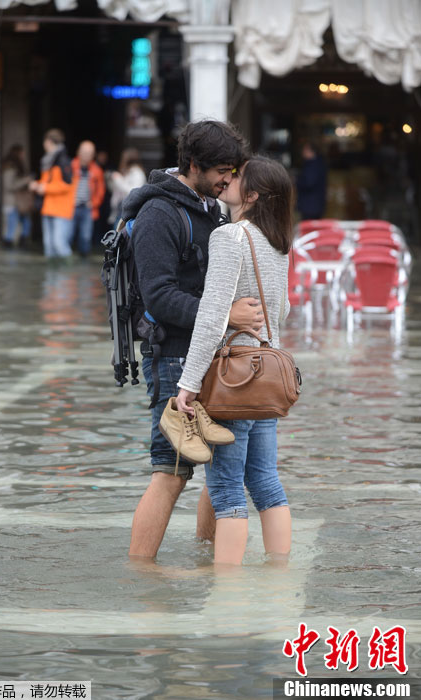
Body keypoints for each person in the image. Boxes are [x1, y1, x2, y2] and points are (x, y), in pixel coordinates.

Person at [123, 120, 265, 559]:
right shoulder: (159, 214)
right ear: (193, 165)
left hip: (212, 354)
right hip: (173, 358)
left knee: (224, 467)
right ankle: (142, 577)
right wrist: (227, 315)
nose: (229, 178)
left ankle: (207, 559)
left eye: (233, 169)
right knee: (172, 470)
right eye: (223, 169)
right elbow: (159, 296)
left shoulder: (211, 208)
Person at [176, 155, 293, 566]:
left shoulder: (231, 238)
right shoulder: (278, 241)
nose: (228, 178)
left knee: (226, 488)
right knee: (265, 482)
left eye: (237, 176)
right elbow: (282, 311)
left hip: (232, 376)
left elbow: (211, 318)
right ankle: (280, 572)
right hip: (267, 374)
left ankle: (227, 591)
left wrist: (187, 384)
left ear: (253, 194)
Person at [29, 129, 74, 260]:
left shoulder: (62, 160)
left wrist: (45, 188)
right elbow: (47, 182)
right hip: (48, 207)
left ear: (49, 142)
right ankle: (52, 279)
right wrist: (37, 185)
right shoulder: (49, 161)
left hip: (60, 210)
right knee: (49, 246)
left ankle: (68, 274)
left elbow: (67, 184)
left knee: (59, 244)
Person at [71, 141, 105, 257]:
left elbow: (101, 190)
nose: (86, 155)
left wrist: (94, 203)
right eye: (84, 152)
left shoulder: (96, 170)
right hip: (71, 207)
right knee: (68, 235)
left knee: (85, 237)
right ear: (78, 152)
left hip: (87, 208)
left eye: (89, 153)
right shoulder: (70, 166)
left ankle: (83, 261)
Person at [1, 144, 33, 248]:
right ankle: (9, 244)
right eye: (21, 153)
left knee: (25, 222)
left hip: (19, 201)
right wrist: (25, 180)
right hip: (13, 201)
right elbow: (9, 185)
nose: (23, 155)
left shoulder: (17, 166)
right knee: (12, 224)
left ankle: (21, 241)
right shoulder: (10, 167)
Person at [108, 148, 147, 226]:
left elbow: (134, 192)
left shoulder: (137, 173)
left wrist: (118, 179)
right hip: (121, 211)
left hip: (129, 213)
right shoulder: (128, 172)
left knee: (119, 236)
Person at [296, 140, 327, 220]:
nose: (302, 152)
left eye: (305, 149)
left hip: (311, 205)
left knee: (310, 228)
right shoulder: (317, 163)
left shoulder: (313, 165)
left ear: (311, 151)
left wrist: (297, 181)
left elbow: (308, 183)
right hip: (314, 204)